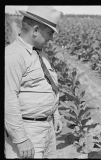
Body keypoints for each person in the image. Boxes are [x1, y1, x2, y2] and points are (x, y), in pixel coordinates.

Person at [5, 6, 63, 158]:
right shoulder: (13, 56)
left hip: (47, 128)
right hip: (28, 131)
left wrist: (55, 114)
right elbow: (7, 100)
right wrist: (21, 139)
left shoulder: (41, 53)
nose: (51, 38)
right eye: (50, 32)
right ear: (35, 30)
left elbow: (49, 86)